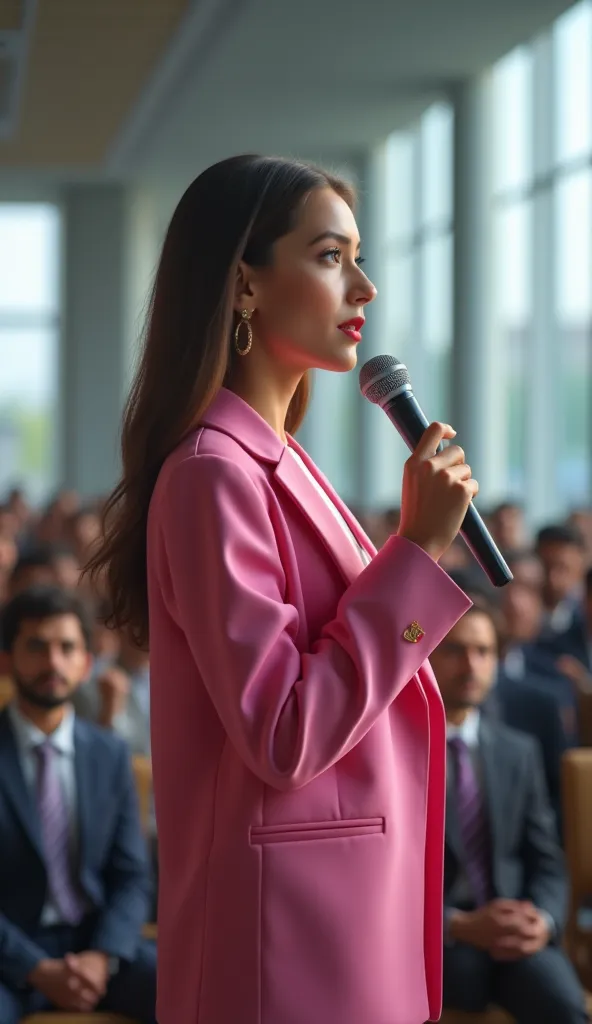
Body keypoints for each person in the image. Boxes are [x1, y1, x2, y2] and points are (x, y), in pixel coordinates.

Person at [86, 154, 478, 1024]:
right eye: (332, 256)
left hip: (333, 913)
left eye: (358, 256)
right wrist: (415, 550)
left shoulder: (279, 461)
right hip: (283, 938)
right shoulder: (212, 476)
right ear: (247, 286)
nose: (366, 286)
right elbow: (284, 732)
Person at [0, 585, 156, 1022]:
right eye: (37, 646)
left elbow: (131, 878)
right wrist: (35, 968)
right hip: (10, 957)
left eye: (67, 648)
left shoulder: (109, 755)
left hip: (97, 947)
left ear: (87, 663)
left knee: (191, 991)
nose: (53, 662)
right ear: (7, 659)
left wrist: (102, 958)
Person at [430, 603, 587, 1022]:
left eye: (484, 651)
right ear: (425, 655)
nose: (472, 665)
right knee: (465, 977)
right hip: (438, 937)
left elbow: (548, 860)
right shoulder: (399, 756)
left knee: (567, 1007)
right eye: (455, 650)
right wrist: (456, 925)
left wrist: (544, 920)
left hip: (514, 934)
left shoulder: (518, 751)